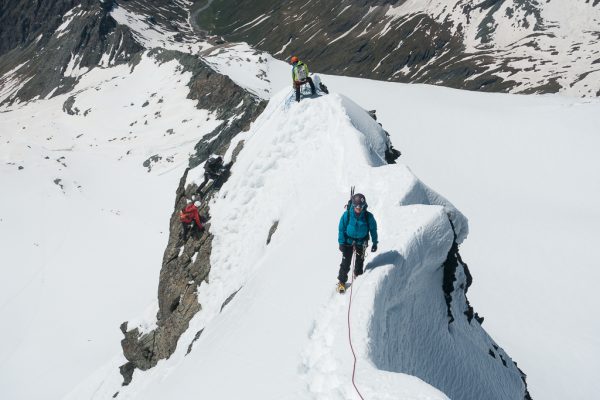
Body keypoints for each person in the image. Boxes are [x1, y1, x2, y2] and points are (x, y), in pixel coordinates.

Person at [337, 193, 378, 293]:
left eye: (361, 206)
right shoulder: (347, 214)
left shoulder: (368, 217)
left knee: (359, 262)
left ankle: (358, 278)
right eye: (356, 206)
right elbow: (341, 229)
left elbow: (373, 229)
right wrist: (341, 242)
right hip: (348, 241)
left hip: (362, 242)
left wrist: (375, 242)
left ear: (364, 206)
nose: (358, 208)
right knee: (345, 263)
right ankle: (342, 282)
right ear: (353, 205)